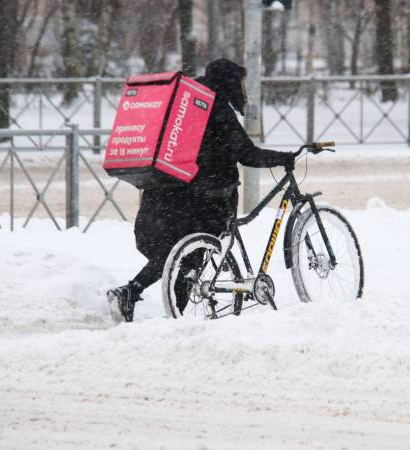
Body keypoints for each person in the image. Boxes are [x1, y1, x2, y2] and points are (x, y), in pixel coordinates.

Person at [107, 58, 295, 323]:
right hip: (203, 200)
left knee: (176, 257)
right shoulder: (216, 107)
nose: (243, 90)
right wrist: (284, 158)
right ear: (230, 82)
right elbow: (247, 154)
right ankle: (162, 311)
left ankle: (141, 298)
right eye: (240, 83)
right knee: (189, 259)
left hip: (162, 193)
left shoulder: (185, 104)